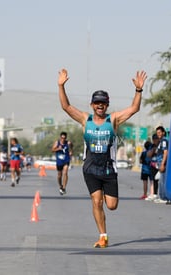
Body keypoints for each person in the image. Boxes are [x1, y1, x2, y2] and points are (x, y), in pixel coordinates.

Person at [58, 68, 147, 248]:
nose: (100, 106)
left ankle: (104, 227)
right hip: (90, 168)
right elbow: (66, 107)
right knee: (96, 201)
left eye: (103, 103)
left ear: (107, 105)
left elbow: (134, 108)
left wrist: (138, 90)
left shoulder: (113, 119)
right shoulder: (85, 119)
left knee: (112, 205)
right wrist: (61, 86)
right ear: (92, 105)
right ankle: (103, 235)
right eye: (97, 103)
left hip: (108, 169)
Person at [151, 126, 169, 204]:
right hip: (159, 163)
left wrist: (162, 164)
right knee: (160, 180)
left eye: (159, 132)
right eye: (157, 133)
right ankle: (161, 196)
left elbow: (165, 152)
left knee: (163, 181)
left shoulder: (164, 141)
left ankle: (164, 197)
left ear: (163, 133)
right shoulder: (161, 141)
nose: (158, 134)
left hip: (163, 163)